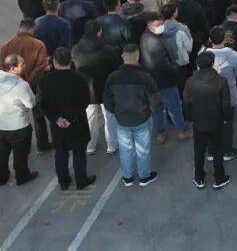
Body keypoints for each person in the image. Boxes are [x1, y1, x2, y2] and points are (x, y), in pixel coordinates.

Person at [103, 45, 161, 187]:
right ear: (137, 57)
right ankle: (144, 177)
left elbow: (107, 100)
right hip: (142, 119)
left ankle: (127, 177)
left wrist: (117, 112)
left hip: (122, 120)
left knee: (125, 150)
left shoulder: (112, 77)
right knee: (143, 150)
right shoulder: (145, 77)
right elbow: (155, 100)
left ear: (123, 57)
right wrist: (151, 112)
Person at [39, 48, 95, 190]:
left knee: (60, 153)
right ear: (70, 61)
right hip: (77, 123)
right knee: (79, 152)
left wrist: (56, 119)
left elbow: (43, 103)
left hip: (57, 125)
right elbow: (84, 101)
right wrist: (70, 118)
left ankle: (63, 181)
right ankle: (81, 180)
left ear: (54, 62)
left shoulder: (46, 80)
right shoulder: (80, 78)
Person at [0, 19, 52, 152]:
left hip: (11, 86)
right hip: (34, 85)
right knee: (38, 116)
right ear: (32, 29)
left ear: (20, 28)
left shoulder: (7, 44)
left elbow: (0, 66)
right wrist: (28, 80)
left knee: (17, 116)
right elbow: (41, 66)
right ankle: (42, 144)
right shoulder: (38, 44)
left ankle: (20, 146)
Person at [0, 54, 39, 186]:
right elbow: (31, 103)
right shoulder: (22, 85)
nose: (25, 66)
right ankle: (22, 176)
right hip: (19, 126)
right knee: (20, 154)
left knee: (0, 155)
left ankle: (1, 178)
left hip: (0, 126)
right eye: (22, 64)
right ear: (14, 68)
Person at [72, 21, 123, 155]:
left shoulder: (76, 49)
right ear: (99, 32)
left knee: (90, 117)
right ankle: (112, 145)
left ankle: (90, 145)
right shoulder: (107, 49)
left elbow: (74, 68)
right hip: (105, 88)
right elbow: (115, 68)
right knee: (109, 116)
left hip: (86, 89)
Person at [183, 51, 232, 190]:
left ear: (198, 64)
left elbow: (186, 103)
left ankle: (199, 177)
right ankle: (219, 177)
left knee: (199, 150)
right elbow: (225, 105)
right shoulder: (221, 81)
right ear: (212, 63)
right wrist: (226, 118)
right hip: (216, 122)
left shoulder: (190, 81)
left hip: (198, 122)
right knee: (217, 150)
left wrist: (189, 118)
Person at [139, 16, 190, 144]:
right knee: (174, 106)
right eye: (158, 24)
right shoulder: (160, 39)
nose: (161, 26)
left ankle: (160, 132)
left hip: (151, 80)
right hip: (166, 79)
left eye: (162, 23)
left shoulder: (144, 36)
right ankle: (182, 129)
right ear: (150, 24)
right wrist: (174, 69)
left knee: (156, 108)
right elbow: (166, 60)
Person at [199, 27, 237, 161]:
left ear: (210, 39)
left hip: (207, 95)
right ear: (224, 38)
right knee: (227, 124)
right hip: (228, 93)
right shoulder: (233, 54)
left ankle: (211, 151)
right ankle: (227, 151)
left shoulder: (202, 52)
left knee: (210, 123)